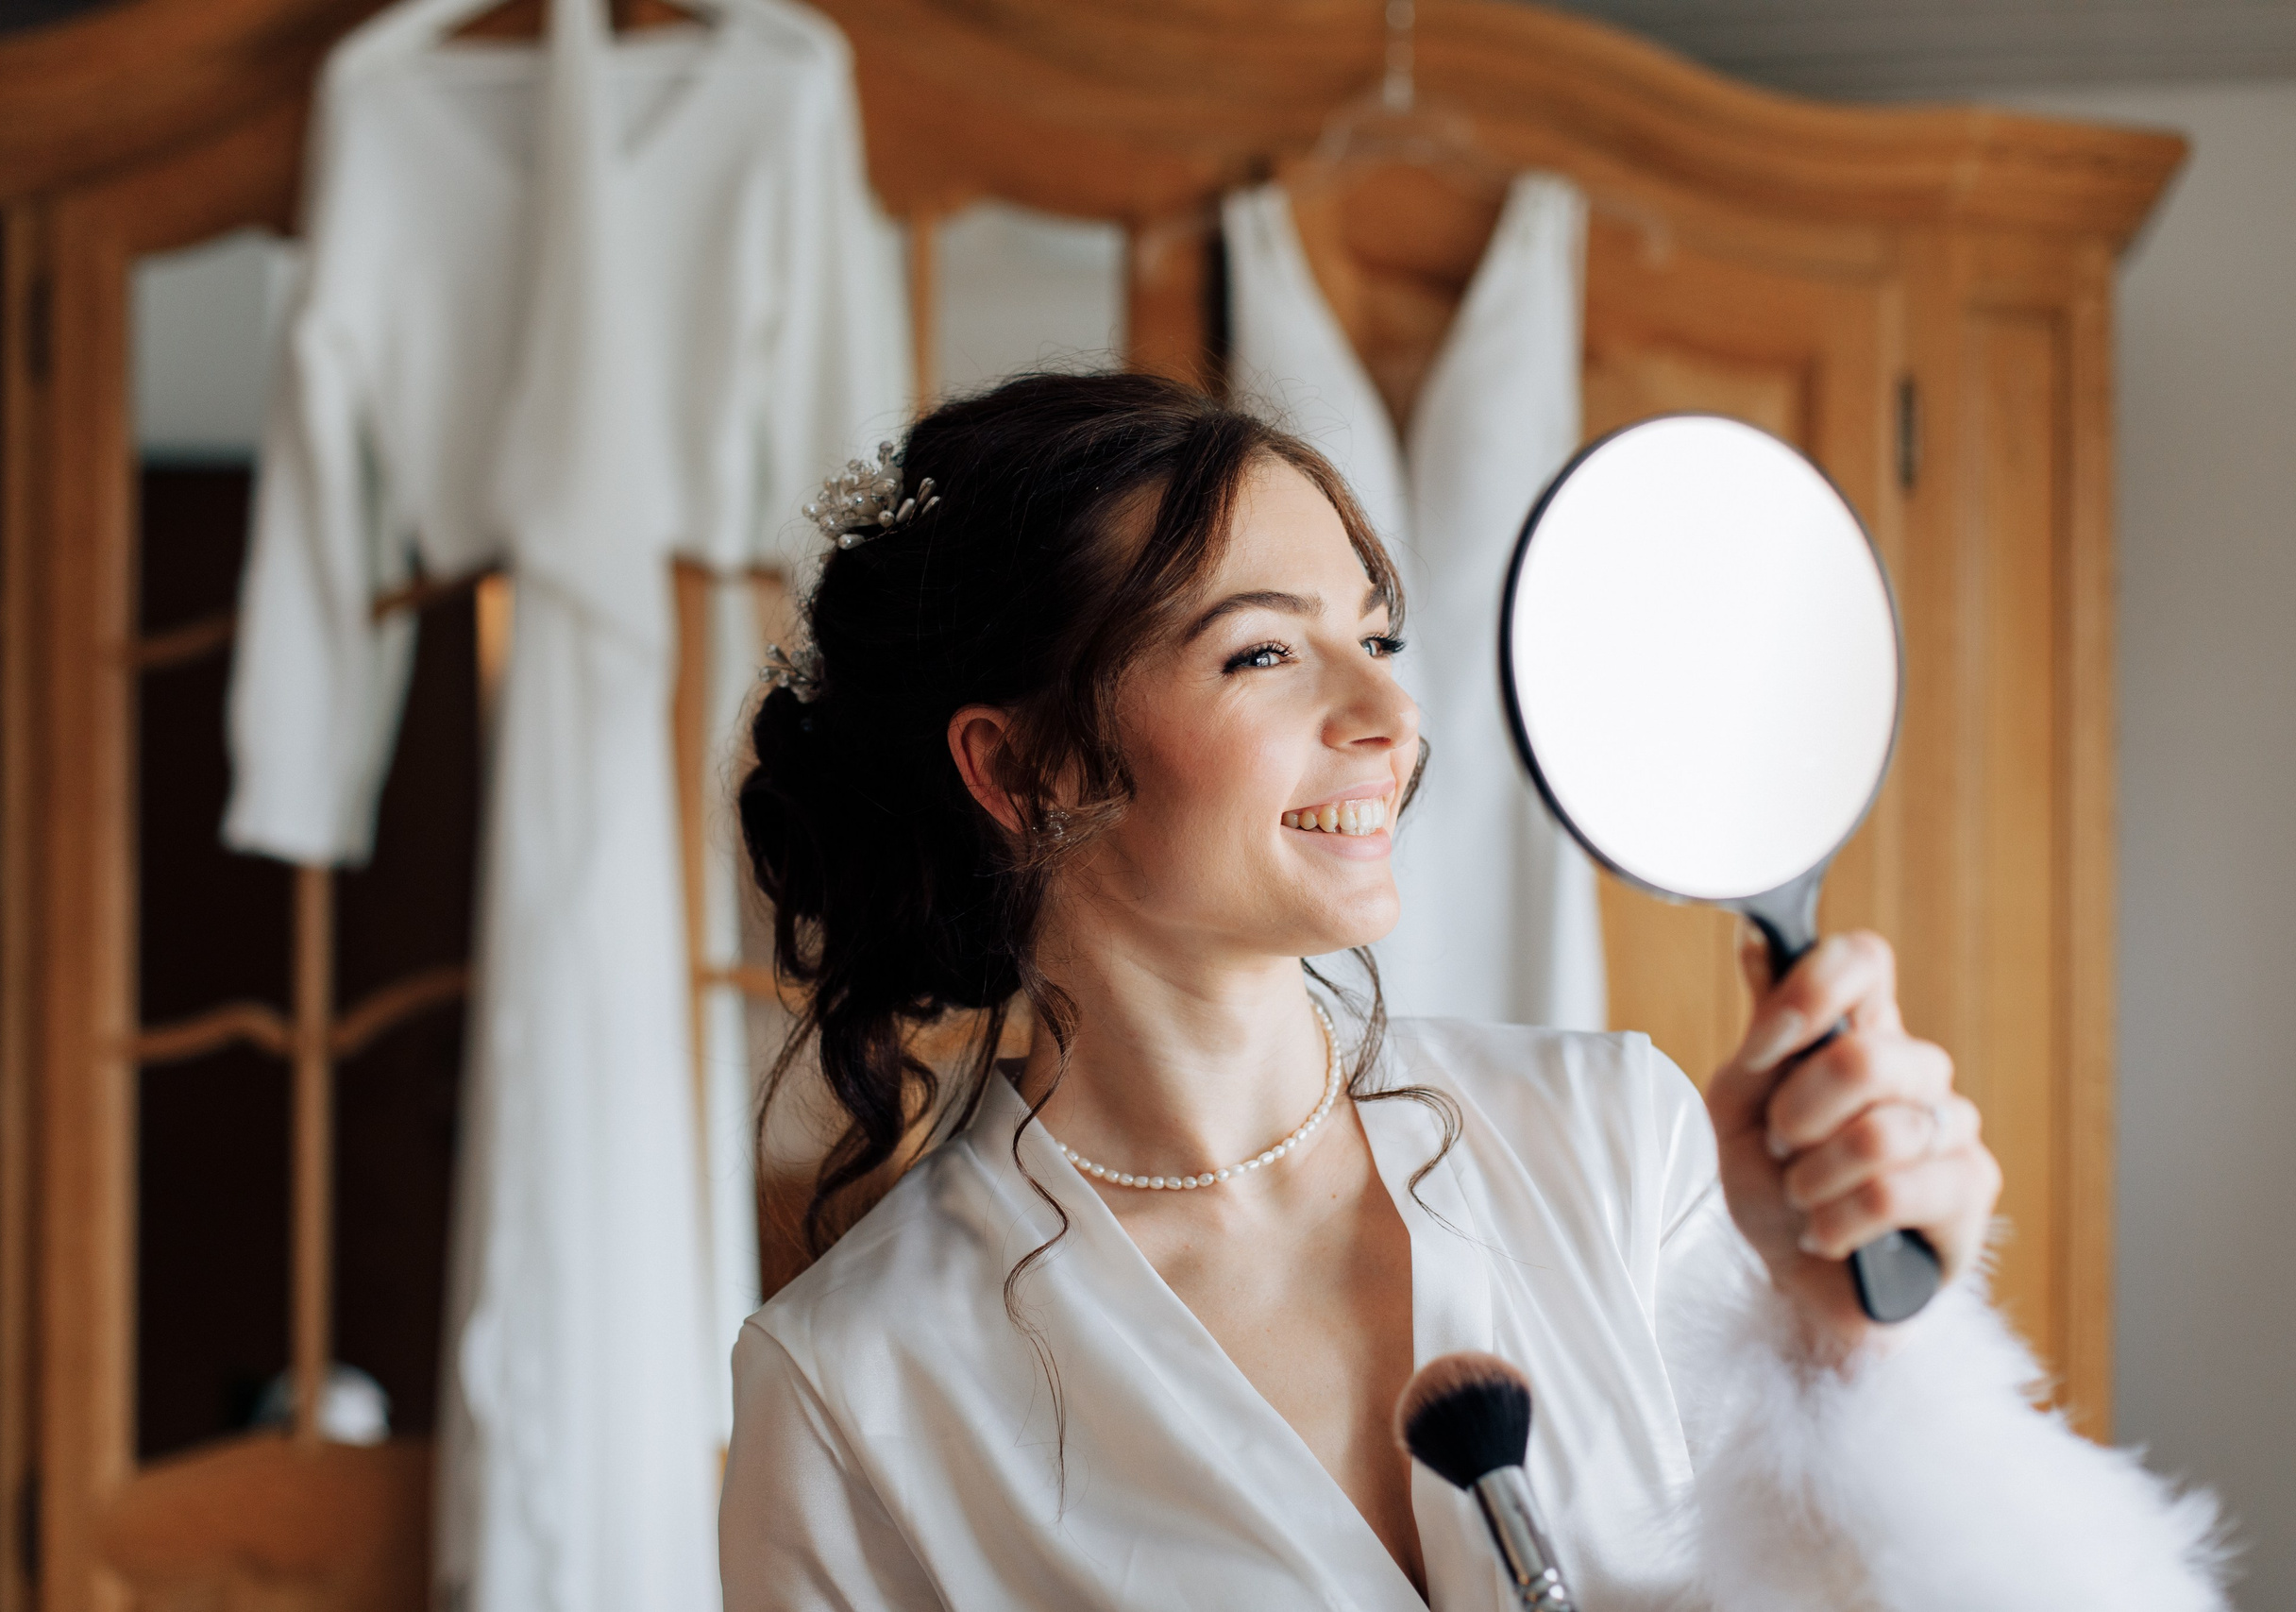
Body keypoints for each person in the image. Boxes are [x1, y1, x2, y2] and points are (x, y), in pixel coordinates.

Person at [718, 372, 2224, 1610]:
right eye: (1264, 654)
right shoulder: (857, 1390)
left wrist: (1852, 1351)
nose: (1390, 711)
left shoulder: (1615, 1141)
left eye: (1377, 639)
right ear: (1020, 766)